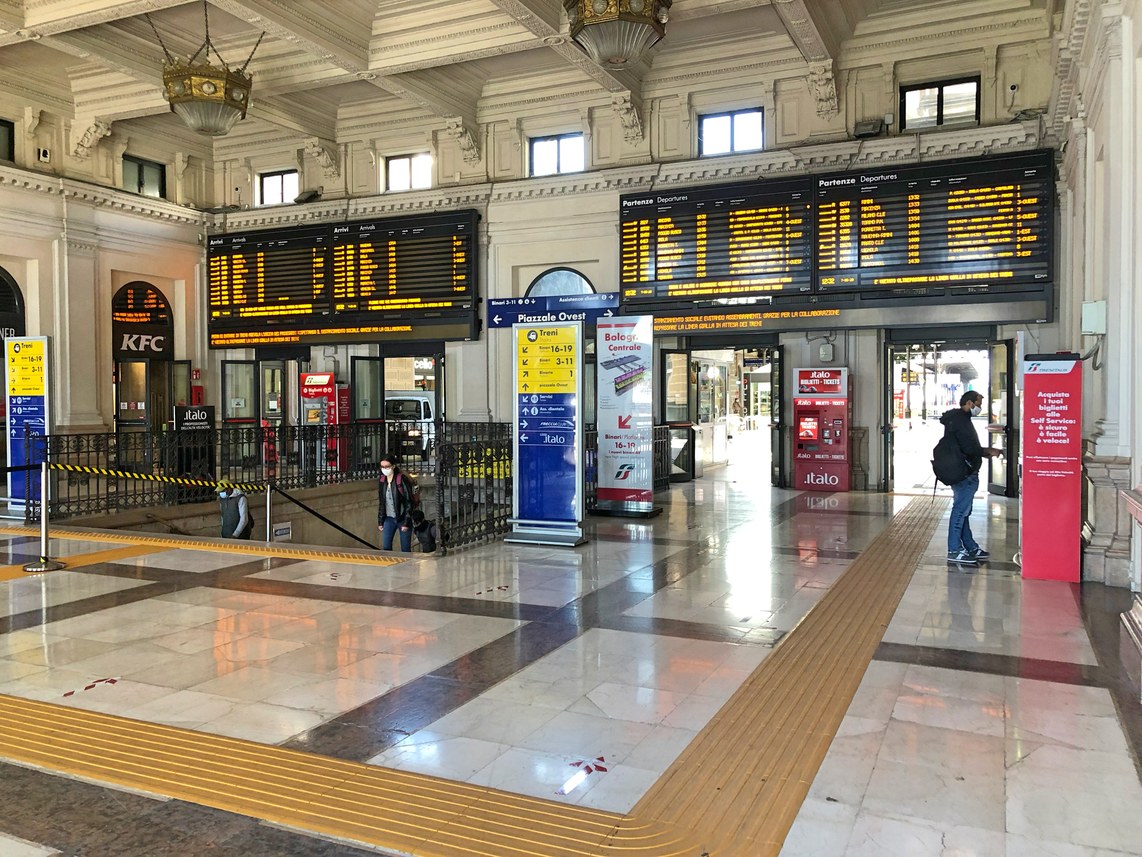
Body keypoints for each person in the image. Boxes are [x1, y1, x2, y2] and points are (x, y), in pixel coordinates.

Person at [940, 391, 998, 566]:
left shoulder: (957, 419)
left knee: (963, 511)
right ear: (970, 403)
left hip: (961, 471)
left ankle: (970, 547)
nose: (980, 407)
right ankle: (954, 550)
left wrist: (982, 452)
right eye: (978, 403)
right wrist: (986, 451)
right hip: (965, 473)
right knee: (960, 511)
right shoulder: (961, 421)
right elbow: (968, 447)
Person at [377, 454, 416, 552]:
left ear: (393, 466)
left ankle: (407, 567)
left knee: (405, 549)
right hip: (388, 519)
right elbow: (382, 502)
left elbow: (409, 501)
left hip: (402, 518)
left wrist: (406, 522)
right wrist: (380, 521)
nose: (384, 469)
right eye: (382, 466)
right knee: (386, 547)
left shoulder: (401, 479)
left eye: (387, 466)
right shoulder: (382, 480)